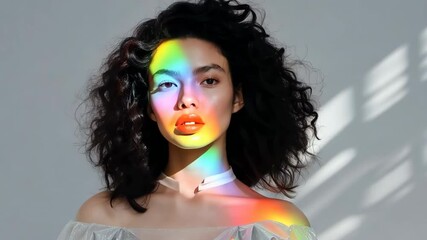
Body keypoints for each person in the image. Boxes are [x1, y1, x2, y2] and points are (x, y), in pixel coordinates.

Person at [57, 0, 319, 239]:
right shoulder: (100, 222)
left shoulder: (278, 225)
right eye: (167, 84)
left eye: (208, 81)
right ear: (148, 106)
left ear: (237, 97)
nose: (187, 99)